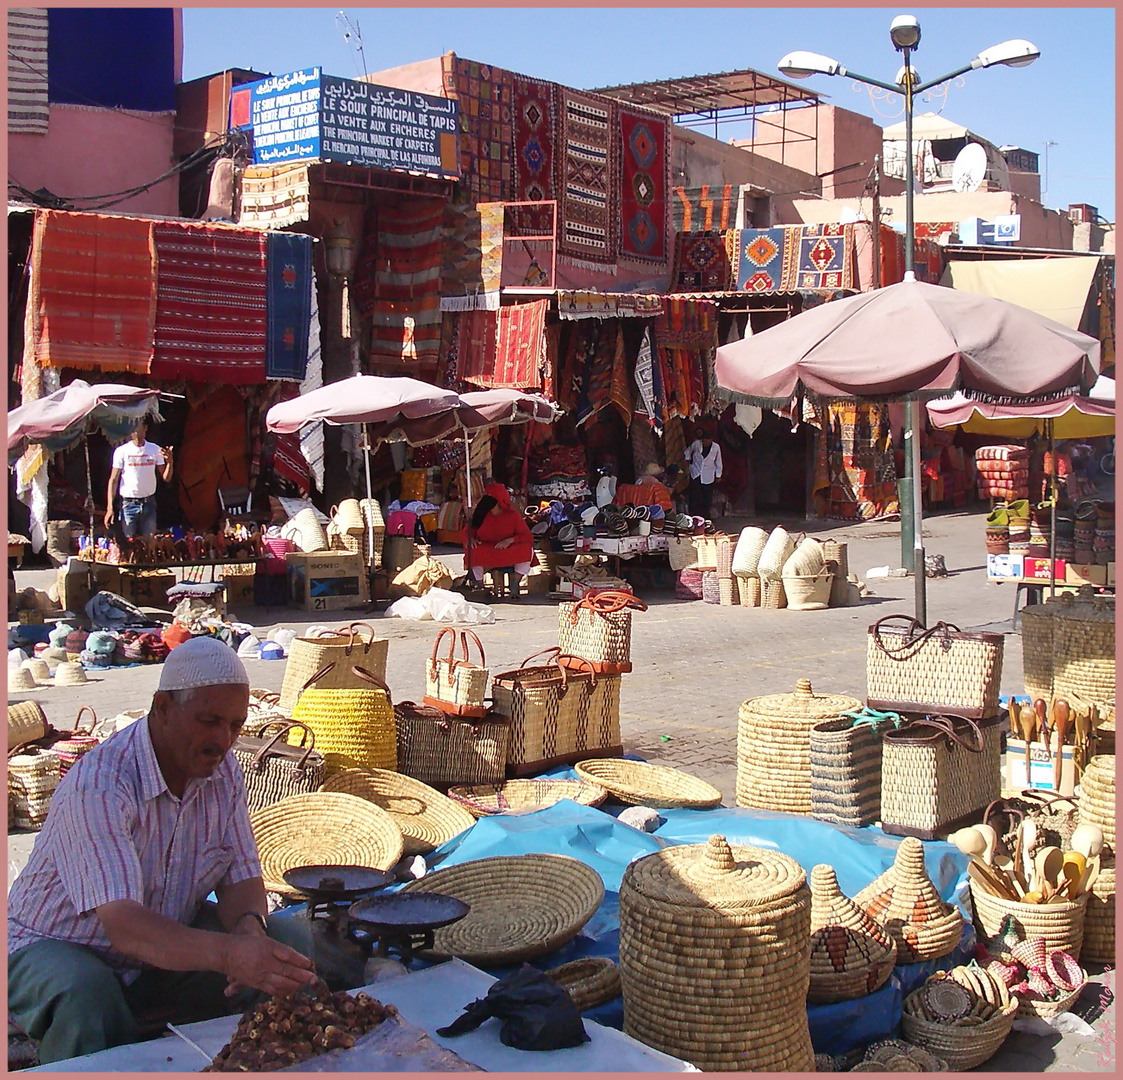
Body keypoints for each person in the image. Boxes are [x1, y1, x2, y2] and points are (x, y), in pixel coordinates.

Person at [7, 638, 317, 1064]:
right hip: (54, 945)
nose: (224, 739)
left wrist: (248, 930)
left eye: (235, 725)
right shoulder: (100, 785)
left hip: (159, 943)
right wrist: (228, 954)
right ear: (163, 709)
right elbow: (126, 928)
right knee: (86, 994)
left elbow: (242, 878)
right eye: (209, 721)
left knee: (289, 943)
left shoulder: (222, 769)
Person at [104, 421, 173, 538]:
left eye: (138, 428)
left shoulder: (154, 449)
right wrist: (109, 507)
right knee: (129, 541)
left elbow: (166, 478)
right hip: (128, 503)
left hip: (149, 503)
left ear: (145, 428)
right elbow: (113, 479)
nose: (135, 431)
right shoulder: (122, 451)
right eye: (132, 428)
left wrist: (170, 462)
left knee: (149, 542)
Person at [463, 482, 534, 586]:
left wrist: (510, 540)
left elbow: (527, 536)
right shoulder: (480, 514)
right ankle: (478, 583)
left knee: (527, 549)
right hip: (487, 549)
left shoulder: (513, 515)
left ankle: (515, 583)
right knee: (472, 550)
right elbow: (467, 532)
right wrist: (470, 539)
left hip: (508, 549)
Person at [686, 431, 723, 518]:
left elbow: (718, 462)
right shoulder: (696, 444)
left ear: (711, 440)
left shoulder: (716, 447)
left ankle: (705, 517)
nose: (706, 442)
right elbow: (687, 452)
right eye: (704, 440)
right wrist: (687, 461)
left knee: (707, 497)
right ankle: (694, 516)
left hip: (708, 475)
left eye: (708, 440)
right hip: (696, 473)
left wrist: (718, 475)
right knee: (694, 496)